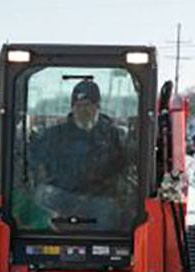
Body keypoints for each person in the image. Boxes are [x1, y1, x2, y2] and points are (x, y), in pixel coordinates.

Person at [27, 79, 127, 230]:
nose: (82, 110)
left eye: (87, 105)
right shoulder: (54, 136)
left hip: (100, 199)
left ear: (97, 106)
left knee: (110, 209)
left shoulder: (113, 136)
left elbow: (126, 164)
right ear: (72, 108)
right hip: (63, 195)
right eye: (78, 106)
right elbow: (32, 159)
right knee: (43, 195)